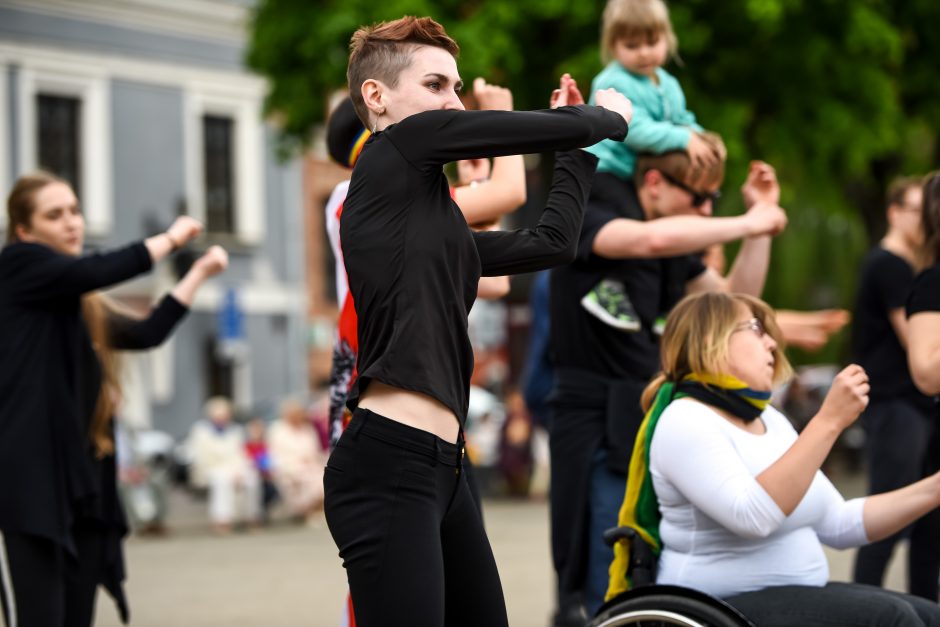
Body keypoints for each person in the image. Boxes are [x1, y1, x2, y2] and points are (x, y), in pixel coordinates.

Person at [324, 15, 631, 627]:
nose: (454, 103)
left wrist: (581, 149)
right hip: (388, 461)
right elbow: (490, 130)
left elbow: (553, 242)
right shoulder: (388, 155)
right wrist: (607, 117)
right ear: (376, 98)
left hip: (446, 465)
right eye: (436, 85)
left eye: (457, 88)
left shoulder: (437, 227)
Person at [548, 146, 786, 621]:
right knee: (606, 570)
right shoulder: (592, 211)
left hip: (645, 418)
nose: (707, 212)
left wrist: (761, 224)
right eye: (700, 199)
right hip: (594, 422)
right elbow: (648, 241)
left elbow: (737, 301)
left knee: (647, 566)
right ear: (654, 182)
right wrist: (746, 222)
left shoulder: (679, 249)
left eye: (716, 200)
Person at [607, 290, 940, 627]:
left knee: (930, 615)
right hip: (716, 606)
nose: (772, 344)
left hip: (794, 596)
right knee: (896, 620)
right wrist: (828, 421)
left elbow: (839, 522)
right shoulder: (685, 419)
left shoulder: (771, 420)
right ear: (711, 340)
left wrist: (934, 488)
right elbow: (751, 516)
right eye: (756, 329)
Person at [0, 171, 216, 626]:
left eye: (75, 211)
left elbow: (146, 332)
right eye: (54, 215)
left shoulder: (78, 299)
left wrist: (197, 273)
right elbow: (97, 269)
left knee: (78, 615)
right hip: (34, 478)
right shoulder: (16, 267)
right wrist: (170, 239)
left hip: (83, 479)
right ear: (24, 231)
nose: (71, 223)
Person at [324, 82, 525, 446]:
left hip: (410, 387)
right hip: (386, 393)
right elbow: (511, 193)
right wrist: (503, 115)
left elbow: (497, 284)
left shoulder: (378, 194)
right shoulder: (368, 194)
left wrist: (478, 182)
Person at [579, 0, 724, 331]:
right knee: (635, 233)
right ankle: (610, 290)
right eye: (632, 45)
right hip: (607, 171)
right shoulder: (612, 81)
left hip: (637, 177)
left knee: (670, 238)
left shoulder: (667, 84)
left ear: (667, 39)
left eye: (652, 42)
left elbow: (683, 120)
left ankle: (664, 306)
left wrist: (704, 140)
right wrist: (684, 140)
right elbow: (633, 129)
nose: (644, 52)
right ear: (613, 45)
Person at [851, 175, 940, 598]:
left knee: (927, 521)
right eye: (919, 210)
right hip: (895, 405)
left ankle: (924, 610)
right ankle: (862, 606)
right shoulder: (890, 265)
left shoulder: (910, 269)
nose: (927, 219)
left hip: (917, 407)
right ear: (895, 213)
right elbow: (919, 346)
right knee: (888, 513)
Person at [186, 396, 262, 534]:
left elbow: (241, 454)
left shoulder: (236, 430)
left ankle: (251, 516)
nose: (222, 418)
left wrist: (239, 470)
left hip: (234, 467)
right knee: (222, 480)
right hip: (212, 468)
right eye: (219, 416)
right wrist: (225, 469)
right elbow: (201, 456)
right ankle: (222, 520)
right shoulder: (201, 431)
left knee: (251, 478)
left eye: (225, 415)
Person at [267, 398, 328, 524]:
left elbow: (315, 451)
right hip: (289, 467)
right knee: (303, 479)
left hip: (311, 466)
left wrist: (312, 460)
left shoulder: (307, 429)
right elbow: (274, 455)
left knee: (325, 477)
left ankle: (316, 511)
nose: (298, 417)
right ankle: (304, 511)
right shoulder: (277, 430)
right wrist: (294, 463)